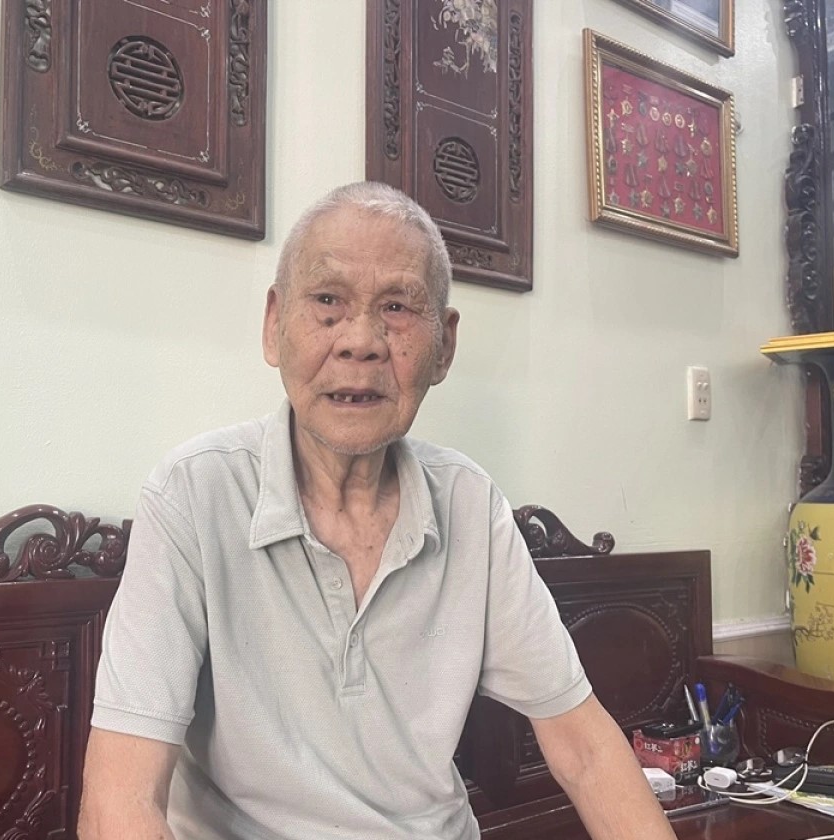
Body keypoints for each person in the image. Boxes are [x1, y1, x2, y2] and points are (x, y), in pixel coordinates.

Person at [79, 182, 676, 840]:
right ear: (274, 324)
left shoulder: (470, 505)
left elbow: (586, 751)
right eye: (327, 301)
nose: (360, 342)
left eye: (397, 307)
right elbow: (119, 803)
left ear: (444, 347)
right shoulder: (194, 495)